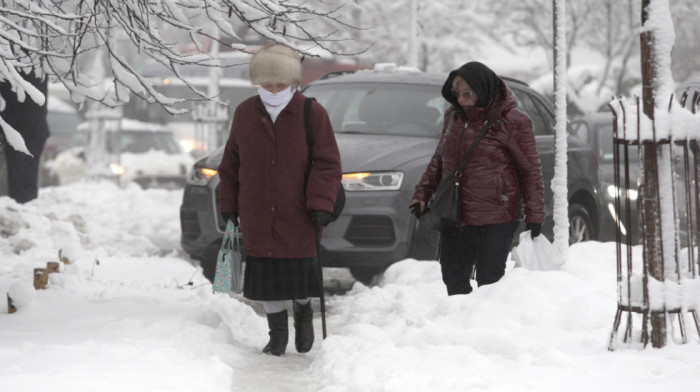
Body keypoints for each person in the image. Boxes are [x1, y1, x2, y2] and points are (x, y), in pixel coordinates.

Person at [218, 44, 342, 356]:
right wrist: (229, 206)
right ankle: (277, 335)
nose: (273, 90)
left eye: (279, 85)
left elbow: (327, 163)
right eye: (266, 85)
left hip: (299, 212)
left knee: (298, 274)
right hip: (257, 211)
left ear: (293, 83)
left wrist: (321, 204)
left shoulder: (312, 113)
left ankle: (302, 315)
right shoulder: (245, 113)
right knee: (266, 276)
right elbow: (231, 165)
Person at [410, 61, 545, 296]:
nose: (460, 99)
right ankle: (458, 326)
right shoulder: (454, 117)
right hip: (456, 210)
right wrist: (423, 192)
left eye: (467, 93)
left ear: (482, 90)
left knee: (489, 279)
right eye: (456, 93)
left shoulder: (514, 121)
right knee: (453, 276)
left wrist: (535, 214)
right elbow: (440, 158)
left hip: (497, 214)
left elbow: (530, 171)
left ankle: (486, 328)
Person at [0, 70, 50, 203]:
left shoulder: (25, 63)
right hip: (23, 129)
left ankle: (22, 210)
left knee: (23, 180)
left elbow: (32, 107)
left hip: (26, 131)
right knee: (23, 180)